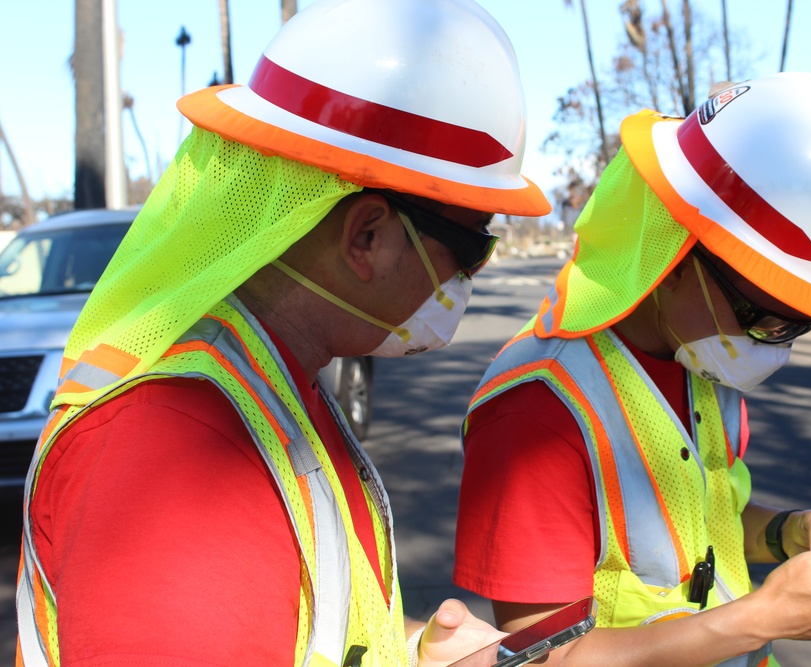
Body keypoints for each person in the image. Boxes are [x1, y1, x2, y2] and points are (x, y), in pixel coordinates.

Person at [15, 0, 550, 665]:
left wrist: (411, 648)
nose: (469, 278)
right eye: (471, 248)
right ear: (368, 235)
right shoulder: (174, 443)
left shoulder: (268, 385)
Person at [453, 72, 811, 667]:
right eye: (764, 315)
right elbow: (542, 658)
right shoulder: (538, 412)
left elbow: (707, 523)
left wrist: (791, 532)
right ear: (676, 254)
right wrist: (760, 618)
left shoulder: (700, 363)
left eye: (801, 323)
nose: (776, 344)